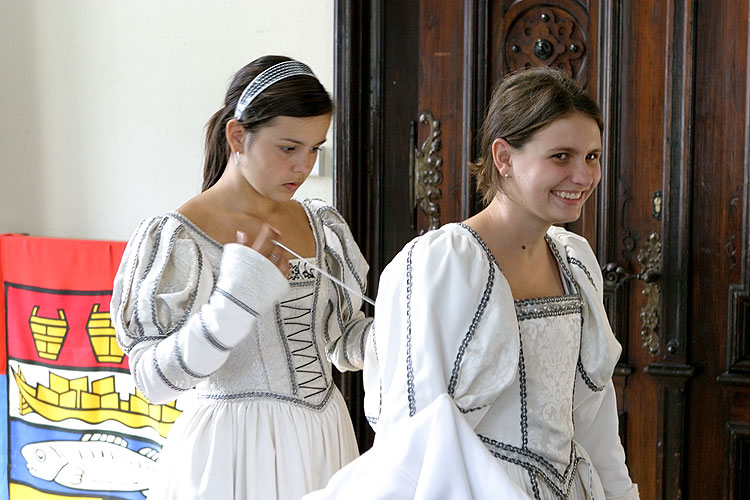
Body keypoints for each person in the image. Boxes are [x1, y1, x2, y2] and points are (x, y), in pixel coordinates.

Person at [361, 67, 640, 499]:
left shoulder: (574, 260)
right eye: (561, 156)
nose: (584, 177)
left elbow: (596, 418)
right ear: (504, 157)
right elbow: (410, 436)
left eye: (592, 156)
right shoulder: (443, 264)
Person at [111, 55, 372, 500]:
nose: (303, 166)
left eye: (315, 148)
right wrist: (233, 303)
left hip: (326, 442)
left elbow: (343, 343)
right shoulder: (177, 236)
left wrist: (409, 324)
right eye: (288, 148)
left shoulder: (322, 225)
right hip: (230, 455)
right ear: (238, 135)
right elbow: (151, 381)